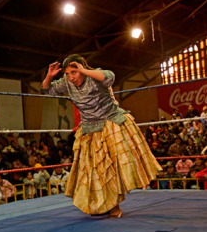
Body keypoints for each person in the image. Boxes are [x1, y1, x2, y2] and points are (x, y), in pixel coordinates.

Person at [41, 54, 161, 216]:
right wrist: (49, 76)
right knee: (93, 171)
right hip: (89, 129)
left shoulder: (94, 77)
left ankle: (114, 206)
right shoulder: (67, 84)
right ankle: (100, 204)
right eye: (67, 74)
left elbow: (109, 77)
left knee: (112, 169)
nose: (70, 77)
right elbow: (47, 91)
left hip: (109, 124)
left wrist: (84, 70)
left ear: (82, 69)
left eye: (73, 73)